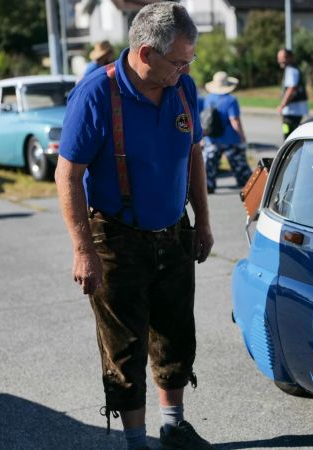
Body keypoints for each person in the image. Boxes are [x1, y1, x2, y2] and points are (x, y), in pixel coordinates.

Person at [55, 3, 214, 450]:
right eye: (179, 60)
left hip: (174, 230)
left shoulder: (183, 88)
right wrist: (82, 250)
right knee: (125, 349)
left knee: (176, 334)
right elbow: (67, 175)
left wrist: (202, 221)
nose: (185, 69)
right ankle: (135, 441)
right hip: (116, 236)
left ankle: (173, 424)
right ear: (146, 53)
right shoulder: (96, 95)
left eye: (190, 60)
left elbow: (194, 154)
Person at [202, 71, 251, 193]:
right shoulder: (231, 100)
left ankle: (208, 185)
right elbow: (234, 120)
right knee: (239, 164)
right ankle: (247, 184)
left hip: (211, 138)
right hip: (230, 139)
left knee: (209, 166)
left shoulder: (208, 99)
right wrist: (242, 136)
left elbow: (204, 119)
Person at [276, 48, 308, 139]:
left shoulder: (290, 70)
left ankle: (289, 153)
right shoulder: (293, 68)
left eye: (284, 57)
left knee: (288, 136)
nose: (280, 60)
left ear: (290, 58)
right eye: (279, 58)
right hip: (295, 110)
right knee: (291, 135)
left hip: (292, 110)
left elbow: (291, 88)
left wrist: (282, 105)